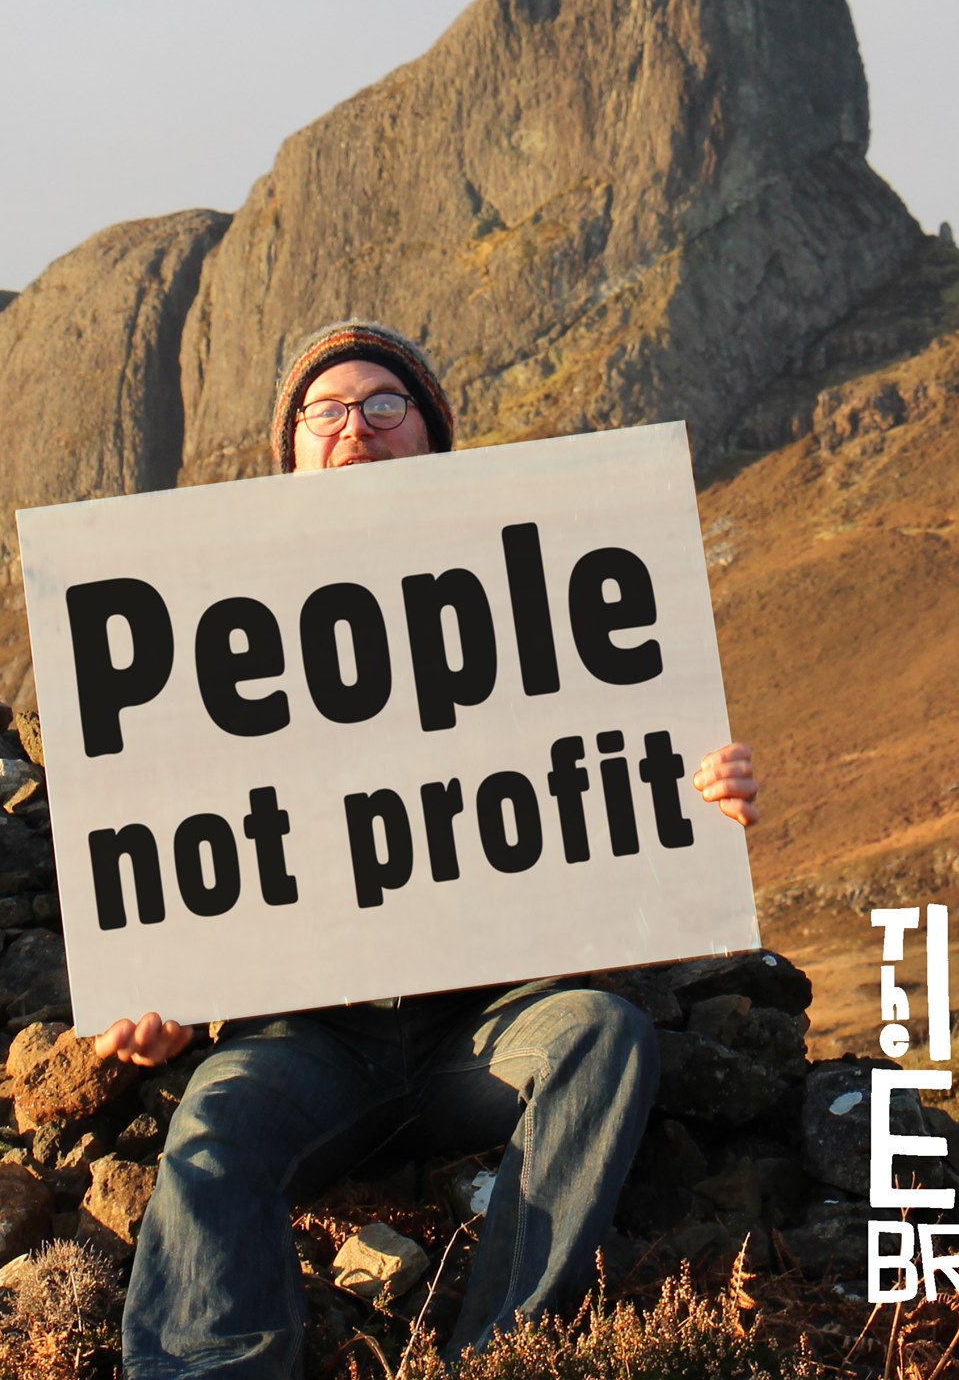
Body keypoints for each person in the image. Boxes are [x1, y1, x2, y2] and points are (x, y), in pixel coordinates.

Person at [99, 320, 761, 1377]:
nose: (352, 427)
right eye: (324, 412)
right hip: (307, 1041)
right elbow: (175, 834)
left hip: (481, 1028)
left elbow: (607, 766)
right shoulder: (205, 625)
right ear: (290, 456)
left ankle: (498, 1359)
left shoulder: (525, 590)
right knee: (214, 1118)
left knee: (600, 1033)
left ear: (432, 435)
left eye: (382, 405)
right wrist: (160, 984)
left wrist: (692, 798)